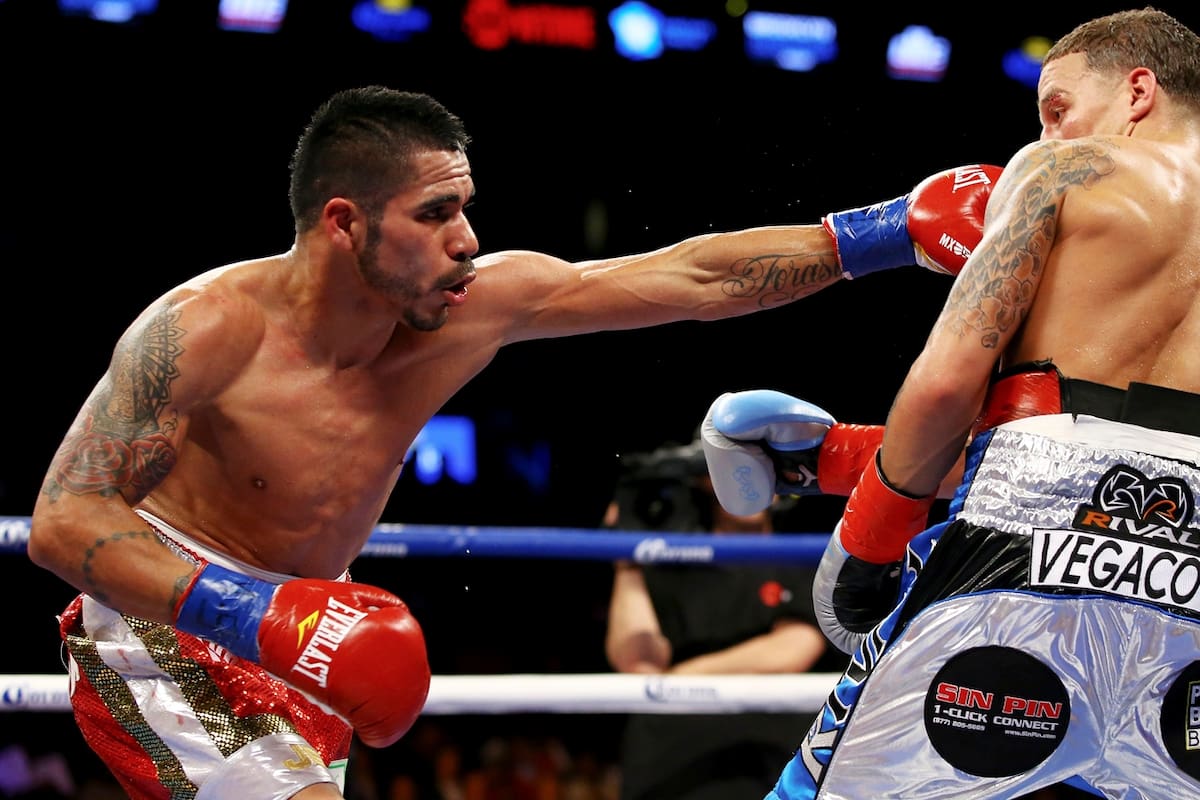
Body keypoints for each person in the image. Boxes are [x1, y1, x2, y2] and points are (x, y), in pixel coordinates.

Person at [26, 84, 999, 800]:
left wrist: (879, 236)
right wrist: (259, 614)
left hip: (306, 637)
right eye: (436, 212)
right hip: (165, 632)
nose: (466, 236)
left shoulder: (472, 308)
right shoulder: (203, 330)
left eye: (464, 206)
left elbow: (690, 278)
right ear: (341, 224)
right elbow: (62, 520)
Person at [702, 6, 1200, 799]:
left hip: (1015, 562)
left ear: (1139, 90)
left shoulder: (1061, 172)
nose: (1046, 136)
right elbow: (1136, 449)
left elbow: (946, 384)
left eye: (1058, 109)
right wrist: (831, 457)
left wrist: (867, 538)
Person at [603, 435, 838, 800]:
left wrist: (677, 680)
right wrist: (627, 564)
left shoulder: (800, 560)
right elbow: (636, 661)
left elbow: (791, 649)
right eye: (735, 470)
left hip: (767, 755)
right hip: (670, 758)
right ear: (705, 479)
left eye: (763, 470)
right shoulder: (668, 561)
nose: (750, 481)